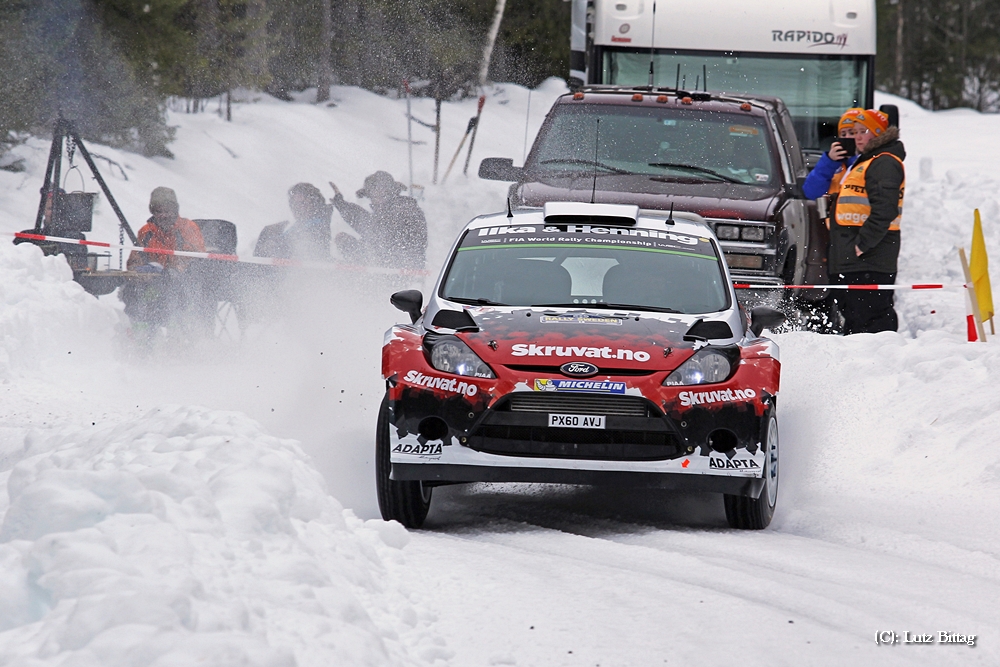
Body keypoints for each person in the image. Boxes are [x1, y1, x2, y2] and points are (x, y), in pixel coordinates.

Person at [829, 109, 905, 334]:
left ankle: (881, 367)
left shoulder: (884, 162)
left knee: (871, 324)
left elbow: (885, 209)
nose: (857, 137)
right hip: (857, 261)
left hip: (869, 261)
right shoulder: (867, 160)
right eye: (856, 132)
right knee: (857, 320)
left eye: (864, 132)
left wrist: (862, 245)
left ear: (879, 135)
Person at [122, 187, 208, 337]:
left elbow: (196, 258)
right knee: (132, 292)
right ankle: (140, 336)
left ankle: (176, 338)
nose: (163, 215)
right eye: (158, 211)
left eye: (167, 210)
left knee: (171, 293)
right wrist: (139, 273)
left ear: (175, 210)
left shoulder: (188, 229)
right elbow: (135, 259)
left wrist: (174, 270)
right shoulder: (146, 231)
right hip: (153, 282)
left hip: (183, 283)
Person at [331, 171, 427, 269]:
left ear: (390, 192)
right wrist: (342, 205)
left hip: (400, 270)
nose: (376, 198)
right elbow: (367, 223)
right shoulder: (386, 210)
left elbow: (375, 231)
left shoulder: (403, 208)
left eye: (382, 192)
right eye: (373, 193)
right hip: (382, 263)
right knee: (343, 240)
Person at [254, 183, 332, 260]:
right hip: (282, 264)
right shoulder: (297, 225)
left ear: (314, 203)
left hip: (306, 265)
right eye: (294, 204)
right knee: (268, 231)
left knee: (269, 232)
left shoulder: (320, 223)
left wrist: (275, 244)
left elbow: (305, 245)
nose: (297, 208)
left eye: (302, 203)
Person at [803, 108, 864, 206]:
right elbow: (812, 193)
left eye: (852, 133)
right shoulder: (833, 165)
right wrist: (829, 162)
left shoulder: (871, 161)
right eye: (843, 134)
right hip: (834, 219)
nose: (847, 137)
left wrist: (855, 159)